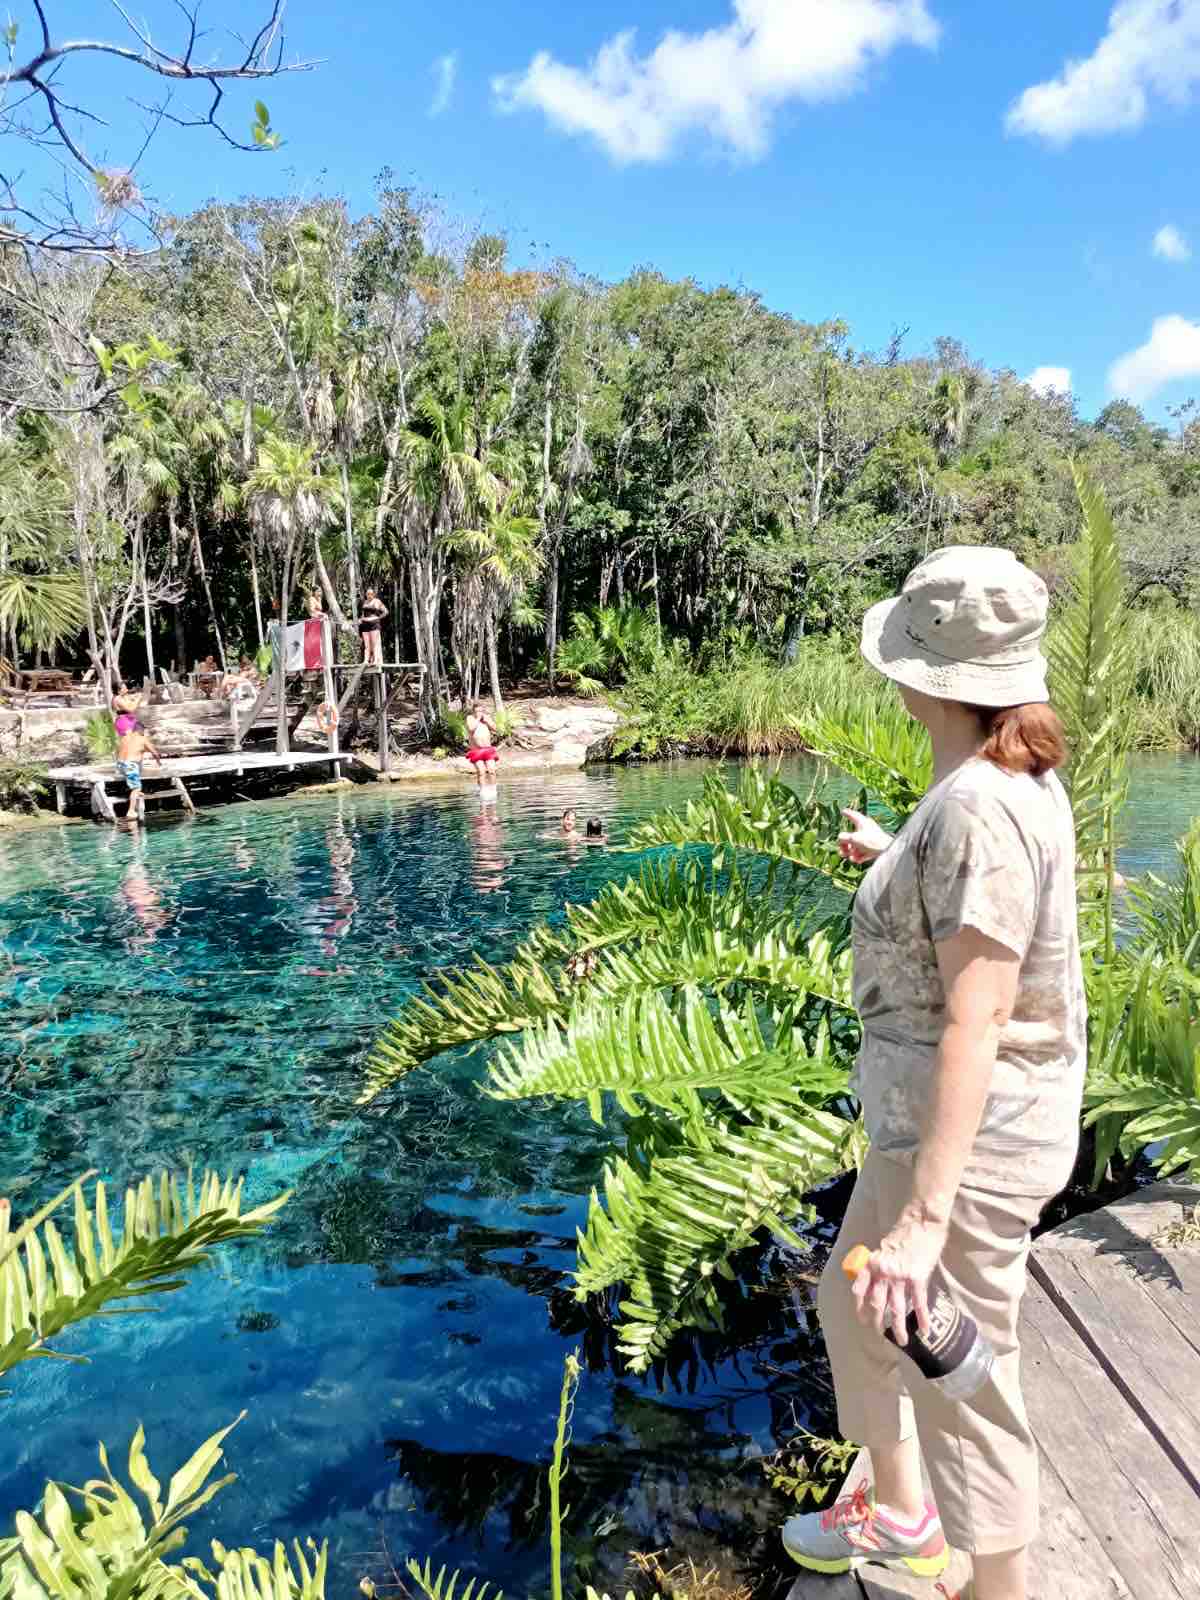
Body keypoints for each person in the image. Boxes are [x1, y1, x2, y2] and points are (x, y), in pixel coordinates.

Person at [782, 547, 1084, 1600]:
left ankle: (998, 1586)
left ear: (933, 678)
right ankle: (904, 1512)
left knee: (963, 1380)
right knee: (848, 1305)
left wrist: (925, 1221)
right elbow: (974, 915)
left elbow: (980, 1015)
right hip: (925, 1135)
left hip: (966, 1151)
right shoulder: (988, 785)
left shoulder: (976, 812)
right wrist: (897, 855)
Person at [115, 723, 163, 823]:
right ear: (141, 730)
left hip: (120, 764)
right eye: (143, 731)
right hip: (130, 765)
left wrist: (142, 751)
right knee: (136, 788)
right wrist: (159, 762)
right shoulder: (142, 739)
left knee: (138, 761)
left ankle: (135, 788)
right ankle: (131, 811)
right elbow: (154, 753)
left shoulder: (125, 737)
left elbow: (119, 751)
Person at [465, 705, 499, 787]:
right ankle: (482, 790)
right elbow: (471, 728)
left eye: (481, 711)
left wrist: (487, 721)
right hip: (476, 750)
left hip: (488, 749)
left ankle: (493, 789)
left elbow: (495, 728)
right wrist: (478, 719)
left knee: (492, 771)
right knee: (481, 772)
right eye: (477, 711)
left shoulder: (486, 718)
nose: (479, 713)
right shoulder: (470, 718)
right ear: (473, 712)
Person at [359, 587, 388, 666]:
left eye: (371, 594)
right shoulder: (365, 602)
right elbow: (363, 614)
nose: (369, 595)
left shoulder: (377, 601)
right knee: (367, 644)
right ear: (366, 594)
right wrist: (361, 619)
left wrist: (378, 618)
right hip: (365, 624)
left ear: (374, 594)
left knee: (375, 643)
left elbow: (385, 612)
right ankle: (366, 660)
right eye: (368, 594)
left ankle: (375, 660)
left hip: (374, 624)